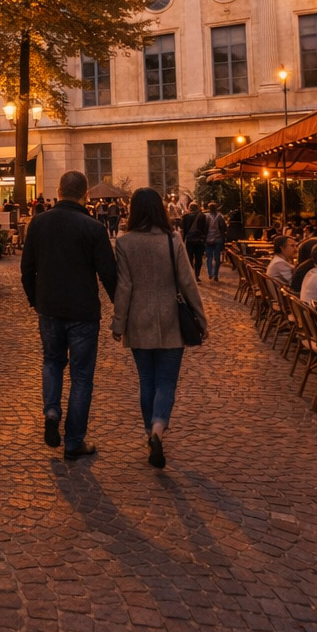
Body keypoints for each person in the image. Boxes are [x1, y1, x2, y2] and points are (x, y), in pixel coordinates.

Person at [20, 170, 117, 461]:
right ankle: (74, 441)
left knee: (51, 362)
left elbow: (27, 269)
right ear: (85, 194)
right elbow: (109, 276)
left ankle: (51, 411)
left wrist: (35, 300)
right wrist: (121, 311)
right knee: (82, 376)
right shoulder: (93, 228)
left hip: (49, 307)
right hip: (82, 311)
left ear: (59, 191)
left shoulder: (38, 223)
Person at [111, 187, 206, 469]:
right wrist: (201, 318)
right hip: (170, 321)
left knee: (146, 382)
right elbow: (187, 282)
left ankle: (149, 433)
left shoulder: (124, 242)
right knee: (166, 382)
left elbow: (124, 287)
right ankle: (157, 430)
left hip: (138, 321)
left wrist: (118, 323)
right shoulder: (171, 239)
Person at [181, 202, 208, 280]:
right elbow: (205, 229)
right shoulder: (202, 217)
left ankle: (191, 274)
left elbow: (183, 230)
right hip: (199, 241)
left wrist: (183, 240)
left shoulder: (185, 217)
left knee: (189, 258)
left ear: (189, 208)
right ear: (197, 208)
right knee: (198, 258)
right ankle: (197, 275)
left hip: (189, 240)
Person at [202, 202, 227, 283]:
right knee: (217, 258)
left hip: (208, 239)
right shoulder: (220, 216)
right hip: (218, 238)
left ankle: (210, 272)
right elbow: (223, 228)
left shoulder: (206, 217)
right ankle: (216, 274)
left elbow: (204, 228)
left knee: (209, 257)